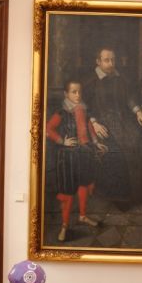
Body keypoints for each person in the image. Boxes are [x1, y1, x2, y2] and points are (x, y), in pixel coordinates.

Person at [82, 47, 142, 209]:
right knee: (116, 151)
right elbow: (85, 106)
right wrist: (94, 123)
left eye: (113, 60)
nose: (110, 63)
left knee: (139, 141)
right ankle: (118, 197)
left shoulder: (121, 79)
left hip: (123, 119)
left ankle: (138, 192)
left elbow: (129, 98)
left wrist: (138, 112)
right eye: (106, 60)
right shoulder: (90, 82)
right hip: (100, 122)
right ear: (98, 62)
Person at [45, 80, 106, 241]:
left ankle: (83, 216)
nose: (78, 95)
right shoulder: (62, 112)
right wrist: (62, 141)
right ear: (66, 94)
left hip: (84, 154)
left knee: (83, 185)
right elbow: (48, 129)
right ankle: (65, 225)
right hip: (68, 157)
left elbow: (89, 128)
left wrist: (96, 142)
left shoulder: (83, 109)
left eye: (79, 92)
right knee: (68, 192)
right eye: (74, 92)